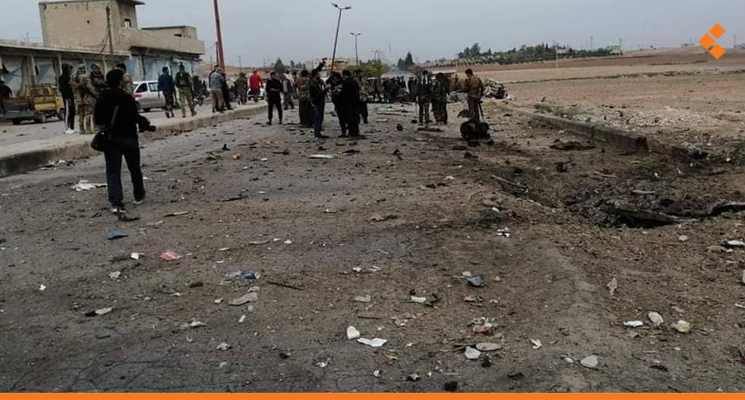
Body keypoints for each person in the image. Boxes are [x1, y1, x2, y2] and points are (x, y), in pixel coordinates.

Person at [93, 69, 153, 215]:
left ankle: (116, 202)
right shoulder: (126, 97)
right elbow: (135, 116)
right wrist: (145, 124)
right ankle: (138, 195)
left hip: (111, 139)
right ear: (120, 81)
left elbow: (97, 119)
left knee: (113, 171)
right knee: (134, 168)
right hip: (129, 137)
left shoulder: (102, 97)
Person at [73, 64, 98, 135]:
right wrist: (96, 94)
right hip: (87, 98)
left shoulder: (74, 77)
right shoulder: (86, 76)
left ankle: (81, 129)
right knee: (88, 113)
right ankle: (88, 129)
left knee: (80, 114)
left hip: (78, 98)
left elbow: (73, 88)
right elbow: (90, 87)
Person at [308, 61, 328, 138]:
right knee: (318, 117)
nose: (319, 75)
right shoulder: (313, 84)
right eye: (318, 74)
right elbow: (319, 94)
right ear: (316, 75)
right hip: (317, 101)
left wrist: (321, 65)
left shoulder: (315, 81)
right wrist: (326, 89)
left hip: (318, 101)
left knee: (319, 117)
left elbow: (316, 71)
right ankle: (317, 133)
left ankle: (318, 132)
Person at [340, 69, 361, 138]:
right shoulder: (355, 82)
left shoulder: (345, 83)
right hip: (355, 102)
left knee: (350, 118)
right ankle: (356, 131)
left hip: (348, 103)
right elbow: (357, 92)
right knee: (355, 117)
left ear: (345, 75)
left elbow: (343, 93)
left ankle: (352, 132)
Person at [58, 64, 76, 134]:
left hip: (71, 97)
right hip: (67, 98)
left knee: (72, 112)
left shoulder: (68, 77)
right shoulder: (62, 78)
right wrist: (67, 97)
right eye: (69, 69)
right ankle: (67, 128)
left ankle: (72, 127)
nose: (70, 71)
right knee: (68, 112)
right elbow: (62, 89)